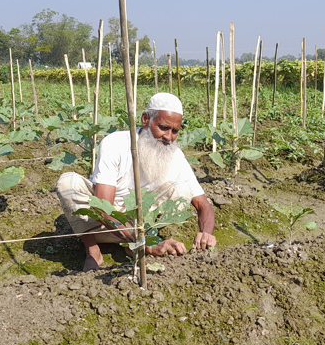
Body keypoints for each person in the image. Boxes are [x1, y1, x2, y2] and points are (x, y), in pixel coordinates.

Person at [56, 92, 217, 271]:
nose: (169, 137)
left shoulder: (175, 155)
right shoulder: (115, 143)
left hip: (142, 222)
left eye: (175, 131)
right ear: (146, 119)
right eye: (163, 128)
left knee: (182, 190)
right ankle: (93, 249)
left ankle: (131, 244)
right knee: (68, 183)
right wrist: (147, 244)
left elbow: (204, 205)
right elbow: (103, 208)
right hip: (103, 224)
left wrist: (206, 234)